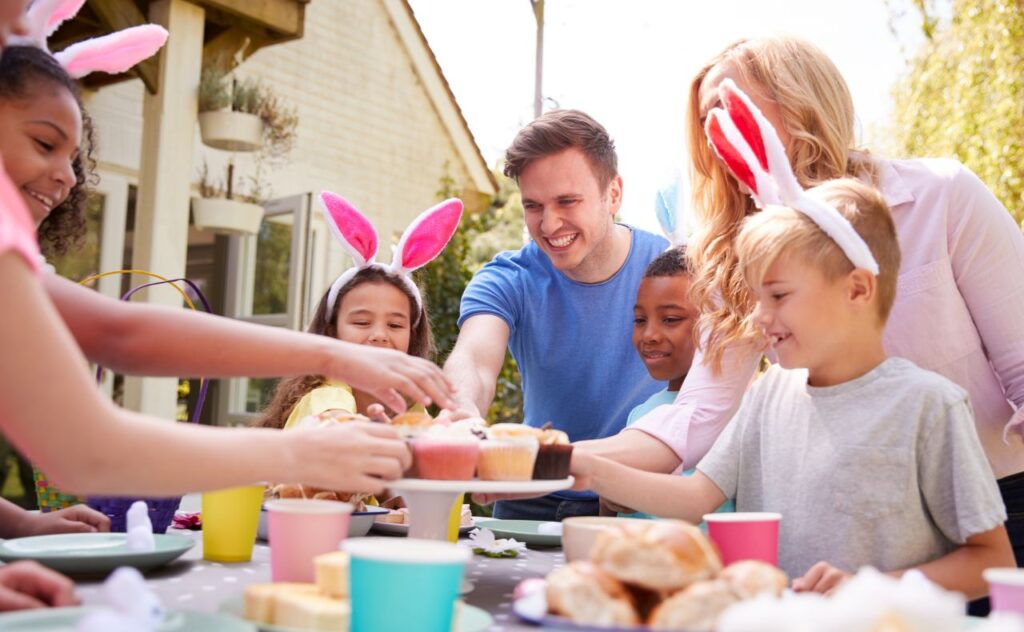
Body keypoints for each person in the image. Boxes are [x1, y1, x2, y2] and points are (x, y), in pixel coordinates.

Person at [579, 36, 1024, 570]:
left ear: (798, 99)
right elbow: (698, 414)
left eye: (729, 104)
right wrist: (547, 457)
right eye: (705, 118)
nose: (715, 128)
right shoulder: (740, 254)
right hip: (856, 527)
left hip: (997, 505)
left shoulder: (943, 196)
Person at [571, 177, 1014, 598]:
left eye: (779, 296)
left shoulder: (930, 406)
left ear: (857, 290)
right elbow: (693, 498)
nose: (760, 317)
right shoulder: (768, 396)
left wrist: (873, 586)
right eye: (757, 298)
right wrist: (583, 466)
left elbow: (989, 561)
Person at [444, 109, 668, 520]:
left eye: (567, 201)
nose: (549, 224)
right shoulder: (507, 278)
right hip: (528, 494)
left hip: (632, 499)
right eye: (533, 206)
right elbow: (473, 360)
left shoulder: (672, 270)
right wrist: (461, 412)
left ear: (613, 194)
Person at [255, 192, 461, 430]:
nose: (379, 335)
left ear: (412, 335)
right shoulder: (325, 395)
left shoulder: (410, 403)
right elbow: (334, 423)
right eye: (362, 322)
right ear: (332, 330)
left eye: (395, 325)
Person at [611, 246, 734, 520]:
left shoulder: (736, 415)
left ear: (717, 324)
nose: (650, 334)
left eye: (671, 320)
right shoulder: (641, 415)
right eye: (640, 320)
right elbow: (610, 518)